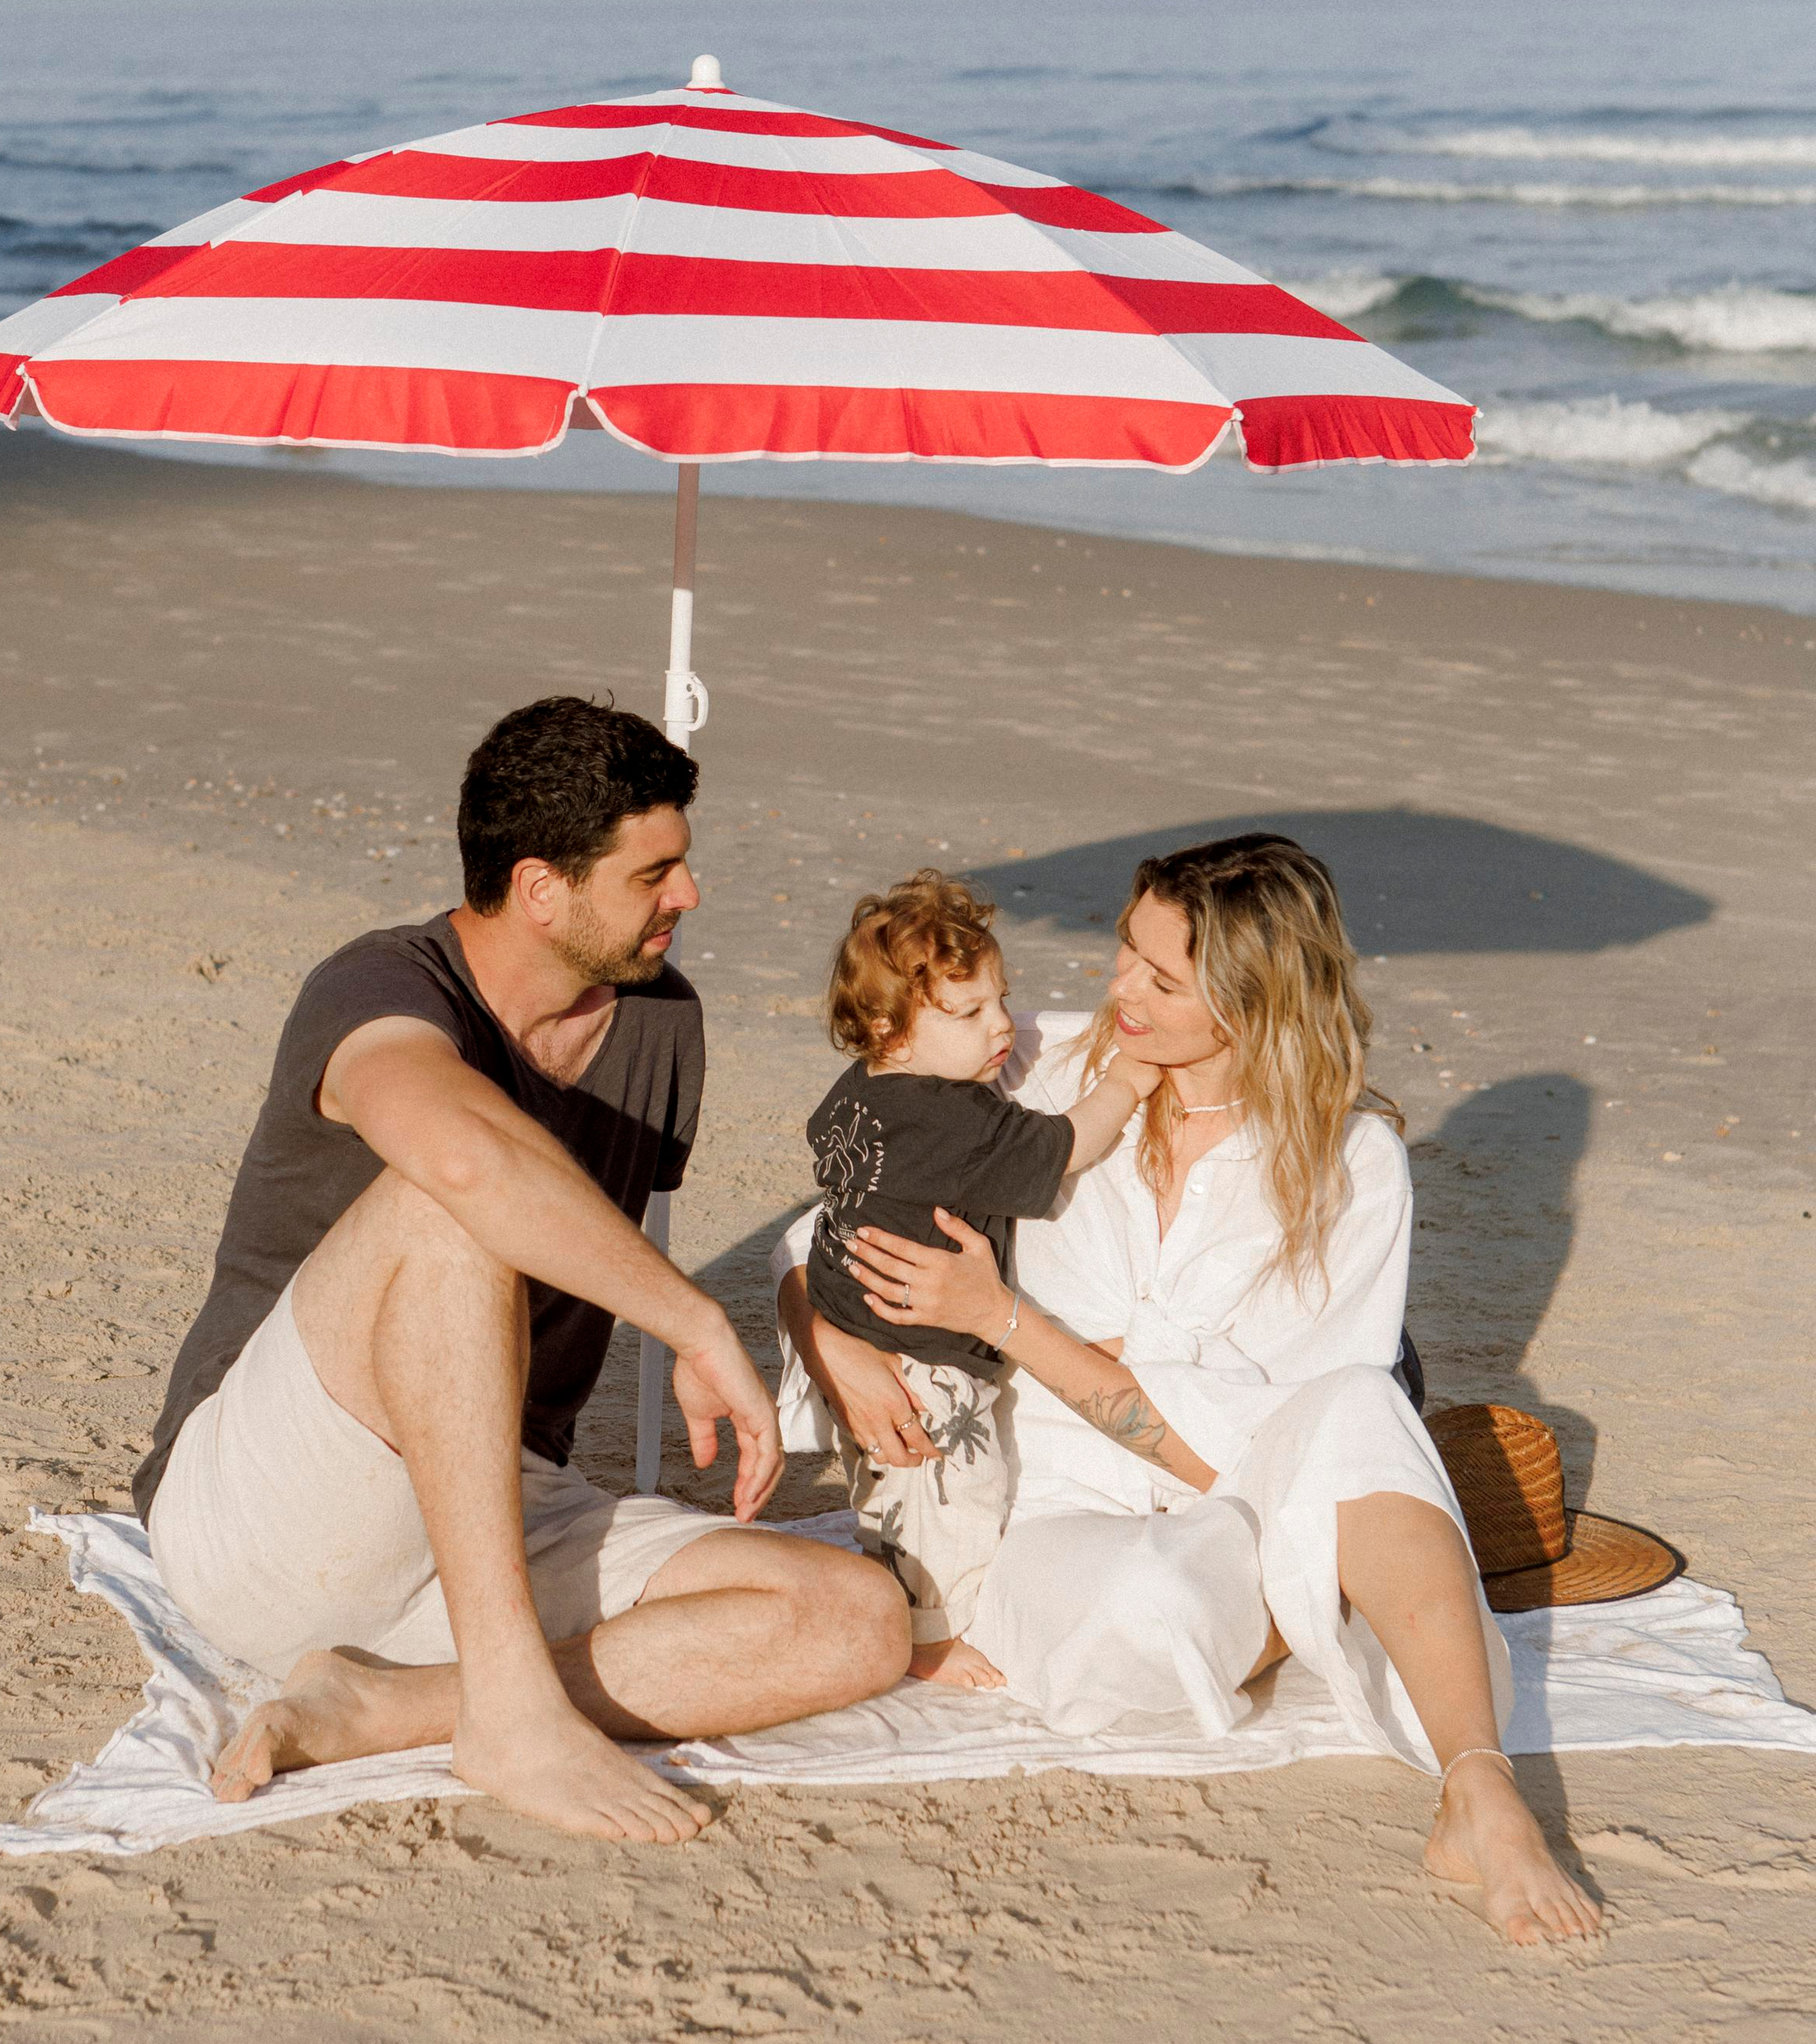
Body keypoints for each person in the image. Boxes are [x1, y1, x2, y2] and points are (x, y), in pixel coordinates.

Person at [777, 833, 1602, 1948]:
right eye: (1127, 950)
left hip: (1246, 1494)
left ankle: (1481, 1789)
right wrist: (828, 1333)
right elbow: (830, 1224)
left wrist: (1008, 1322)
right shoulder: (1044, 1075)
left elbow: (1257, 1447)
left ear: (1256, 1005)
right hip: (1057, 1505)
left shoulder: (1353, 1166)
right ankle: (1343, 1585)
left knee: (1365, 1407)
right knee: (1149, 1611)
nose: (1118, 990)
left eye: (1162, 981)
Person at [140, 695, 908, 1846]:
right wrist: (697, 1324)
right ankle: (510, 1711)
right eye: (656, 873)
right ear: (542, 887)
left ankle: (399, 1703)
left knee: (857, 1621)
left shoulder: (660, 1029)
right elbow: (464, 1159)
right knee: (451, 1209)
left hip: (490, 1510)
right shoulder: (378, 990)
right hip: (262, 1509)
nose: (688, 896)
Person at [806, 869, 1155, 1688]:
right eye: (967, 1013)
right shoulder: (955, 1117)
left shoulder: (859, 1093)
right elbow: (1062, 1149)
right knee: (955, 1492)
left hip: (849, 1327)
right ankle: (927, 1639)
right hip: (920, 1355)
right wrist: (1127, 1083)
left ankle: (903, 1597)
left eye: (1002, 998)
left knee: (894, 1491)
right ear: (890, 1029)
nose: (1001, 1026)